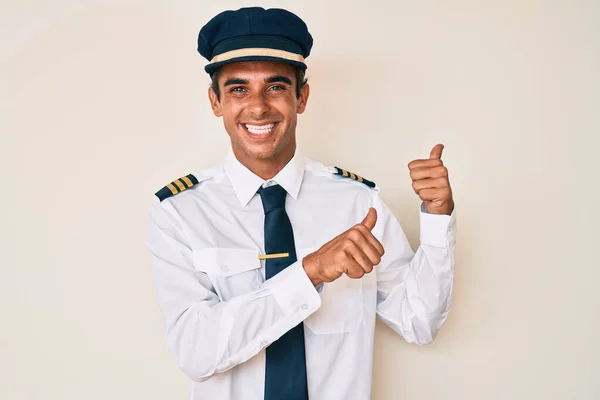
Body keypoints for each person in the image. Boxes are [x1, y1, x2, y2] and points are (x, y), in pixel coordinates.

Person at [146, 6, 456, 400]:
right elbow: (196, 351)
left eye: (275, 87)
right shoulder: (179, 213)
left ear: (302, 96)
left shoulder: (358, 203)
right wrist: (310, 272)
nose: (258, 107)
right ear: (215, 101)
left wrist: (437, 217)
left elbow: (420, 322)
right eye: (238, 88)